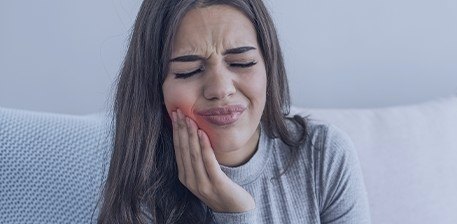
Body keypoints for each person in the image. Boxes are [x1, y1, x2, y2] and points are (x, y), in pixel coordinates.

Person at [97, 0, 371, 223]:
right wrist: (236, 215)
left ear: (268, 67)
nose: (220, 89)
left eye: (242, 62)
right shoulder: (142, 186)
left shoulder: (324, 155)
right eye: (188, 71)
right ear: (154, 88)